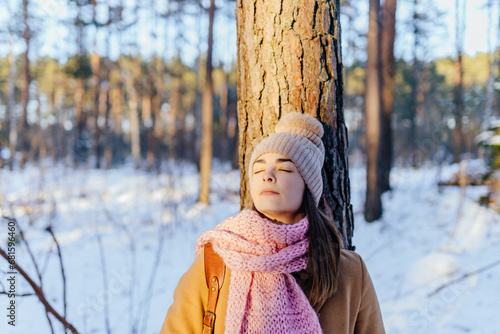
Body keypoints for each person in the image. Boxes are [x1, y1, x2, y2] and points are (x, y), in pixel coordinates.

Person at [159, 112, 385, 333]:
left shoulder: (348, 271)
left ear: (309, 186)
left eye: (284, 168)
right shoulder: (217, 261)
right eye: (258, 169)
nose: (267, 175)